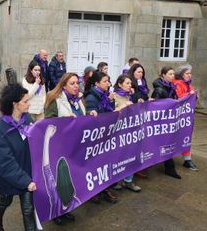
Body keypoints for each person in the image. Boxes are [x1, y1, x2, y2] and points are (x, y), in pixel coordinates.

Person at [0, 84, 37, 231]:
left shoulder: (27, 118)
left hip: (26, 172)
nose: (29, 104)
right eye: (25, 101)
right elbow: (4, 163)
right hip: (8, 177)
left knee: (28, 210)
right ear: (14, 104)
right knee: (5, 201)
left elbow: (37, 137)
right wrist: (25, 181)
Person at [44, 73, 86, 225]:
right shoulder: (54, 99)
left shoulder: (79, 100)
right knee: (59, 180)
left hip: (74, 145)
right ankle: (57, 212)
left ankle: (66, 209)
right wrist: (64, 120)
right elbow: (47, 123)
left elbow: (83, 118)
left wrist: (92, 116)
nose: (76, 86)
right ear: (63, 85)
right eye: (72, 83)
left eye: (77, 83)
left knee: (70, 179)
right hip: (59, 146)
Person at [84, 71, 118, 203]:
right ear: (97, 83)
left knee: (104, 163)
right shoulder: (92, 98)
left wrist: (111, 100)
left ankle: (103, 189)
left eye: (108, 81)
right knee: (95, 164)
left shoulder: (105, 94)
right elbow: (94, 119)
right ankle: (94, 192)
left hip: (105, 135)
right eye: (105, 81)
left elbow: (109, 112)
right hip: (97, 137)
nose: (108, 83)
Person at [111, 74, 142, 192]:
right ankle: (116, 180)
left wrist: (137, 101)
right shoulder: (114, 96)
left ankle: (128, 180)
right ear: (120, 84)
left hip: (129, 130)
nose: (130, 85)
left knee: (131, 154)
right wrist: (124, 106)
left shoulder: (129, 95)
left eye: (130, 83)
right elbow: (112, 113)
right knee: (119, 155)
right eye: (127, 83)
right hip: (118, 131)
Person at [152, 66, 182, 179]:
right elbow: (155, 107)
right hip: (162, 122)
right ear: (163, 75)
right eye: (170, 74)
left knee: (166, 143)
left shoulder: (172, 87)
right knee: (164, 143)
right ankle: (169, 168)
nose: (172, 76)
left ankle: (168, 167)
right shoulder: (159, 90)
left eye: (173, 74)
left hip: (169, 121)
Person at [173, 64, 199, 171]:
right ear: (181, 74)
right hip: (179, 116)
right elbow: (180, 98)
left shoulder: (189, 84)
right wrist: (190, 94)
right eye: (187, 73)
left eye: (190, 73)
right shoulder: (177, 84)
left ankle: (187, 159)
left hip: (187, 116)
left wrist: (194, 95)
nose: (189, 75)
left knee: (186, 136)